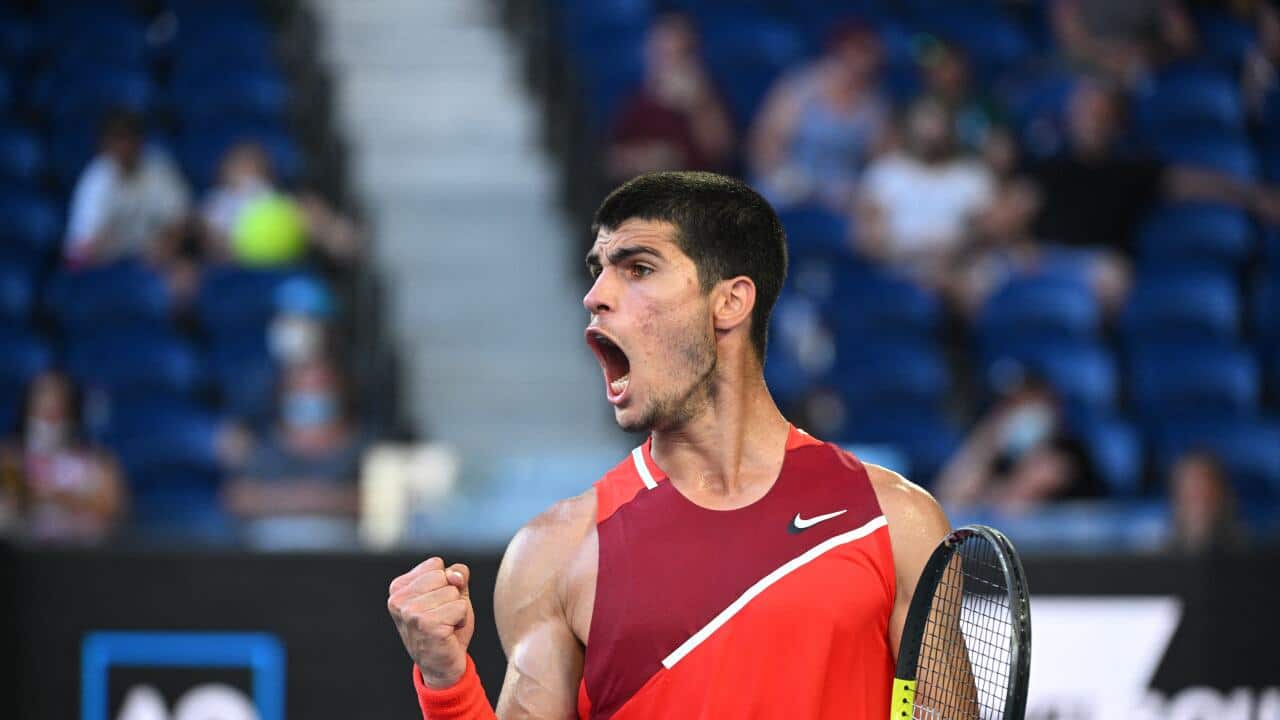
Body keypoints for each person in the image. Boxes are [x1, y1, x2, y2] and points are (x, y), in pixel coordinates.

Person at [387, 172, 961, 718]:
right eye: (598, 270)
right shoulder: (554, 554)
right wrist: (446, 683)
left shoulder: (895, 522)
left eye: (637, 267)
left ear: (730, 302)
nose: (595, 295)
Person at [1029, 79, 1280, 254]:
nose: (1091, 122)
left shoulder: (1130, 170)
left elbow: (1188, 182)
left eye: (1100, 114)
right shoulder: (1047, 166)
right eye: (1084, 112)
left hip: (1093, 273)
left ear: (1117, 121)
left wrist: (1255, 198)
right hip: (1037, 263)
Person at [223, 356, 369, 548]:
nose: (312, 393)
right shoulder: (263, 445)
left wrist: (296, 499)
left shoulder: (362, 444)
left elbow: (377, 500)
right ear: (285, 392)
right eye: (303, 386)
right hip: (269, 551)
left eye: (321, 386)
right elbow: (238, 498)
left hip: (344, 549)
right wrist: (315, 499)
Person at [748, 24, 889, 211]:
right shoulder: (801, 87)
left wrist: (860, 191)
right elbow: (766, 140)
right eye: (857, 51)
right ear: (839, 51)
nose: (862, 61)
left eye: (868, 54)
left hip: (844, 193)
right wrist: (779, 175)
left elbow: (881, 162)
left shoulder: (876, 104)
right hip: (791, 182)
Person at [855, 97, 995, 285]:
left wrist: (951, 254)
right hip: (897, 268)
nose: (930, 131)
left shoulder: (972, 175)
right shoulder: (885, 172)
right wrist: (907, 255)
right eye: (924, 121)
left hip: (958, 267)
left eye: (937, 122)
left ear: (950, 128)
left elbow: (986, 231)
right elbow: (866, 236)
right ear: (909, 127)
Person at [935, 374, 1103, 512]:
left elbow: (1010, 505)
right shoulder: (1003, 456)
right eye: (1010, 404)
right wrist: (989, 436)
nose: (1017, 412)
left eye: (1026, 400)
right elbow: (950, 496)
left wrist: (985, 495)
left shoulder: (1066, 453)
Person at [605, 14, 734, 183]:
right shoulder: (635, 100)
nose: (668, 64)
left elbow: (722, 152)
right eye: (662, 53)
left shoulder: (707, 98)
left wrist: (698, 105)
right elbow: (609, 160)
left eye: (678, 54)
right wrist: (643, 159)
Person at [0, 371, 125, 543]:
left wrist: (56, 496)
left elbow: (111, 506)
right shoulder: (10, 456)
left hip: (76, 557)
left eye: (58, 400)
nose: (50, 405)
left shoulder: (95, 461)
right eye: (42, 397)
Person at [63, 109, 191, 270]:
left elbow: (183, 221)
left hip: (156, 262)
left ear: (140, 141)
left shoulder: (158, 169)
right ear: (104, 144)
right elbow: (81, 249)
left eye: (128, 138)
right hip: (108, 266)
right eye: (116, 139)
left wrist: (165, 243)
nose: (124, 146)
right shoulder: (95, 181)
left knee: (184, 271)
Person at [1167, 450, 1247, 554]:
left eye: (1205, 492)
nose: (1199, 504)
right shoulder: (1154, 555)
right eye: (1190, 493)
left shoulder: (1253, 553)